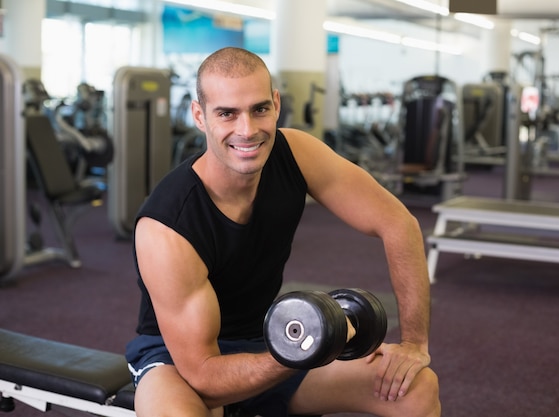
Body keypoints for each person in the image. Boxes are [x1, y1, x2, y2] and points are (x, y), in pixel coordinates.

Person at [125, 46, 440, 417]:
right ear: (199, 116)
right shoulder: (167, 226)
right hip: (178, 362)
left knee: (416, 389)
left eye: (259, 109)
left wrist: (415, 342)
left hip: (265, 340)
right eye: (227, 113)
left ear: (275, 104)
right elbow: (205, 375)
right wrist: (306, 348)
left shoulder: (296, 154)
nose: (247, 130)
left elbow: (398, 223)